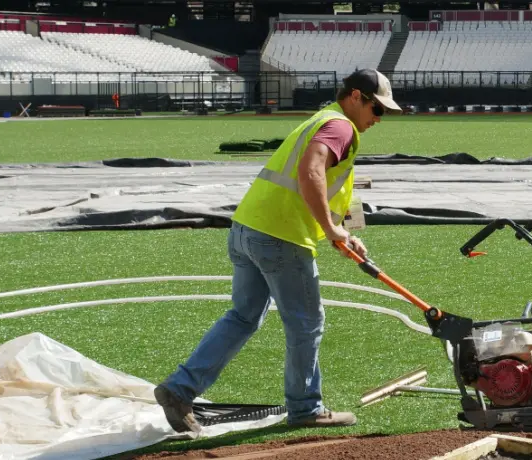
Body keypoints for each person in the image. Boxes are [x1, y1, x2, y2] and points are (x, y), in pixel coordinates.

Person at [153, 69, 402, 434]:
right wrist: (332, 229)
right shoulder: (340, 127)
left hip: (246, 229)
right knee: (306, 324)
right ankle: (306, 407)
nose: (378, 119)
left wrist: (341, 232)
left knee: (243, 317)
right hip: (282, 238)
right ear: (354, 96)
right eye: (376, 109)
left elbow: (324, 185)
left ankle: (179, 389)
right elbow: (311, 172)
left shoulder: (322, 119)